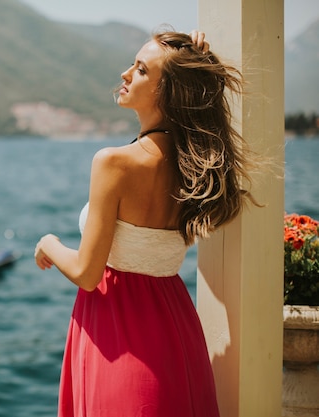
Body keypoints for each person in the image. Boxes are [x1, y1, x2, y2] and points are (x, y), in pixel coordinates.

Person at [34, 30, 257, 417]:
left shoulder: (114, 162)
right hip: (175, 326)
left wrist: (48, 242)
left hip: (116, 330)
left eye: (139, 70)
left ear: (166, 93)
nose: (124, 74)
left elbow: (88, 274)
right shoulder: (195, 166)